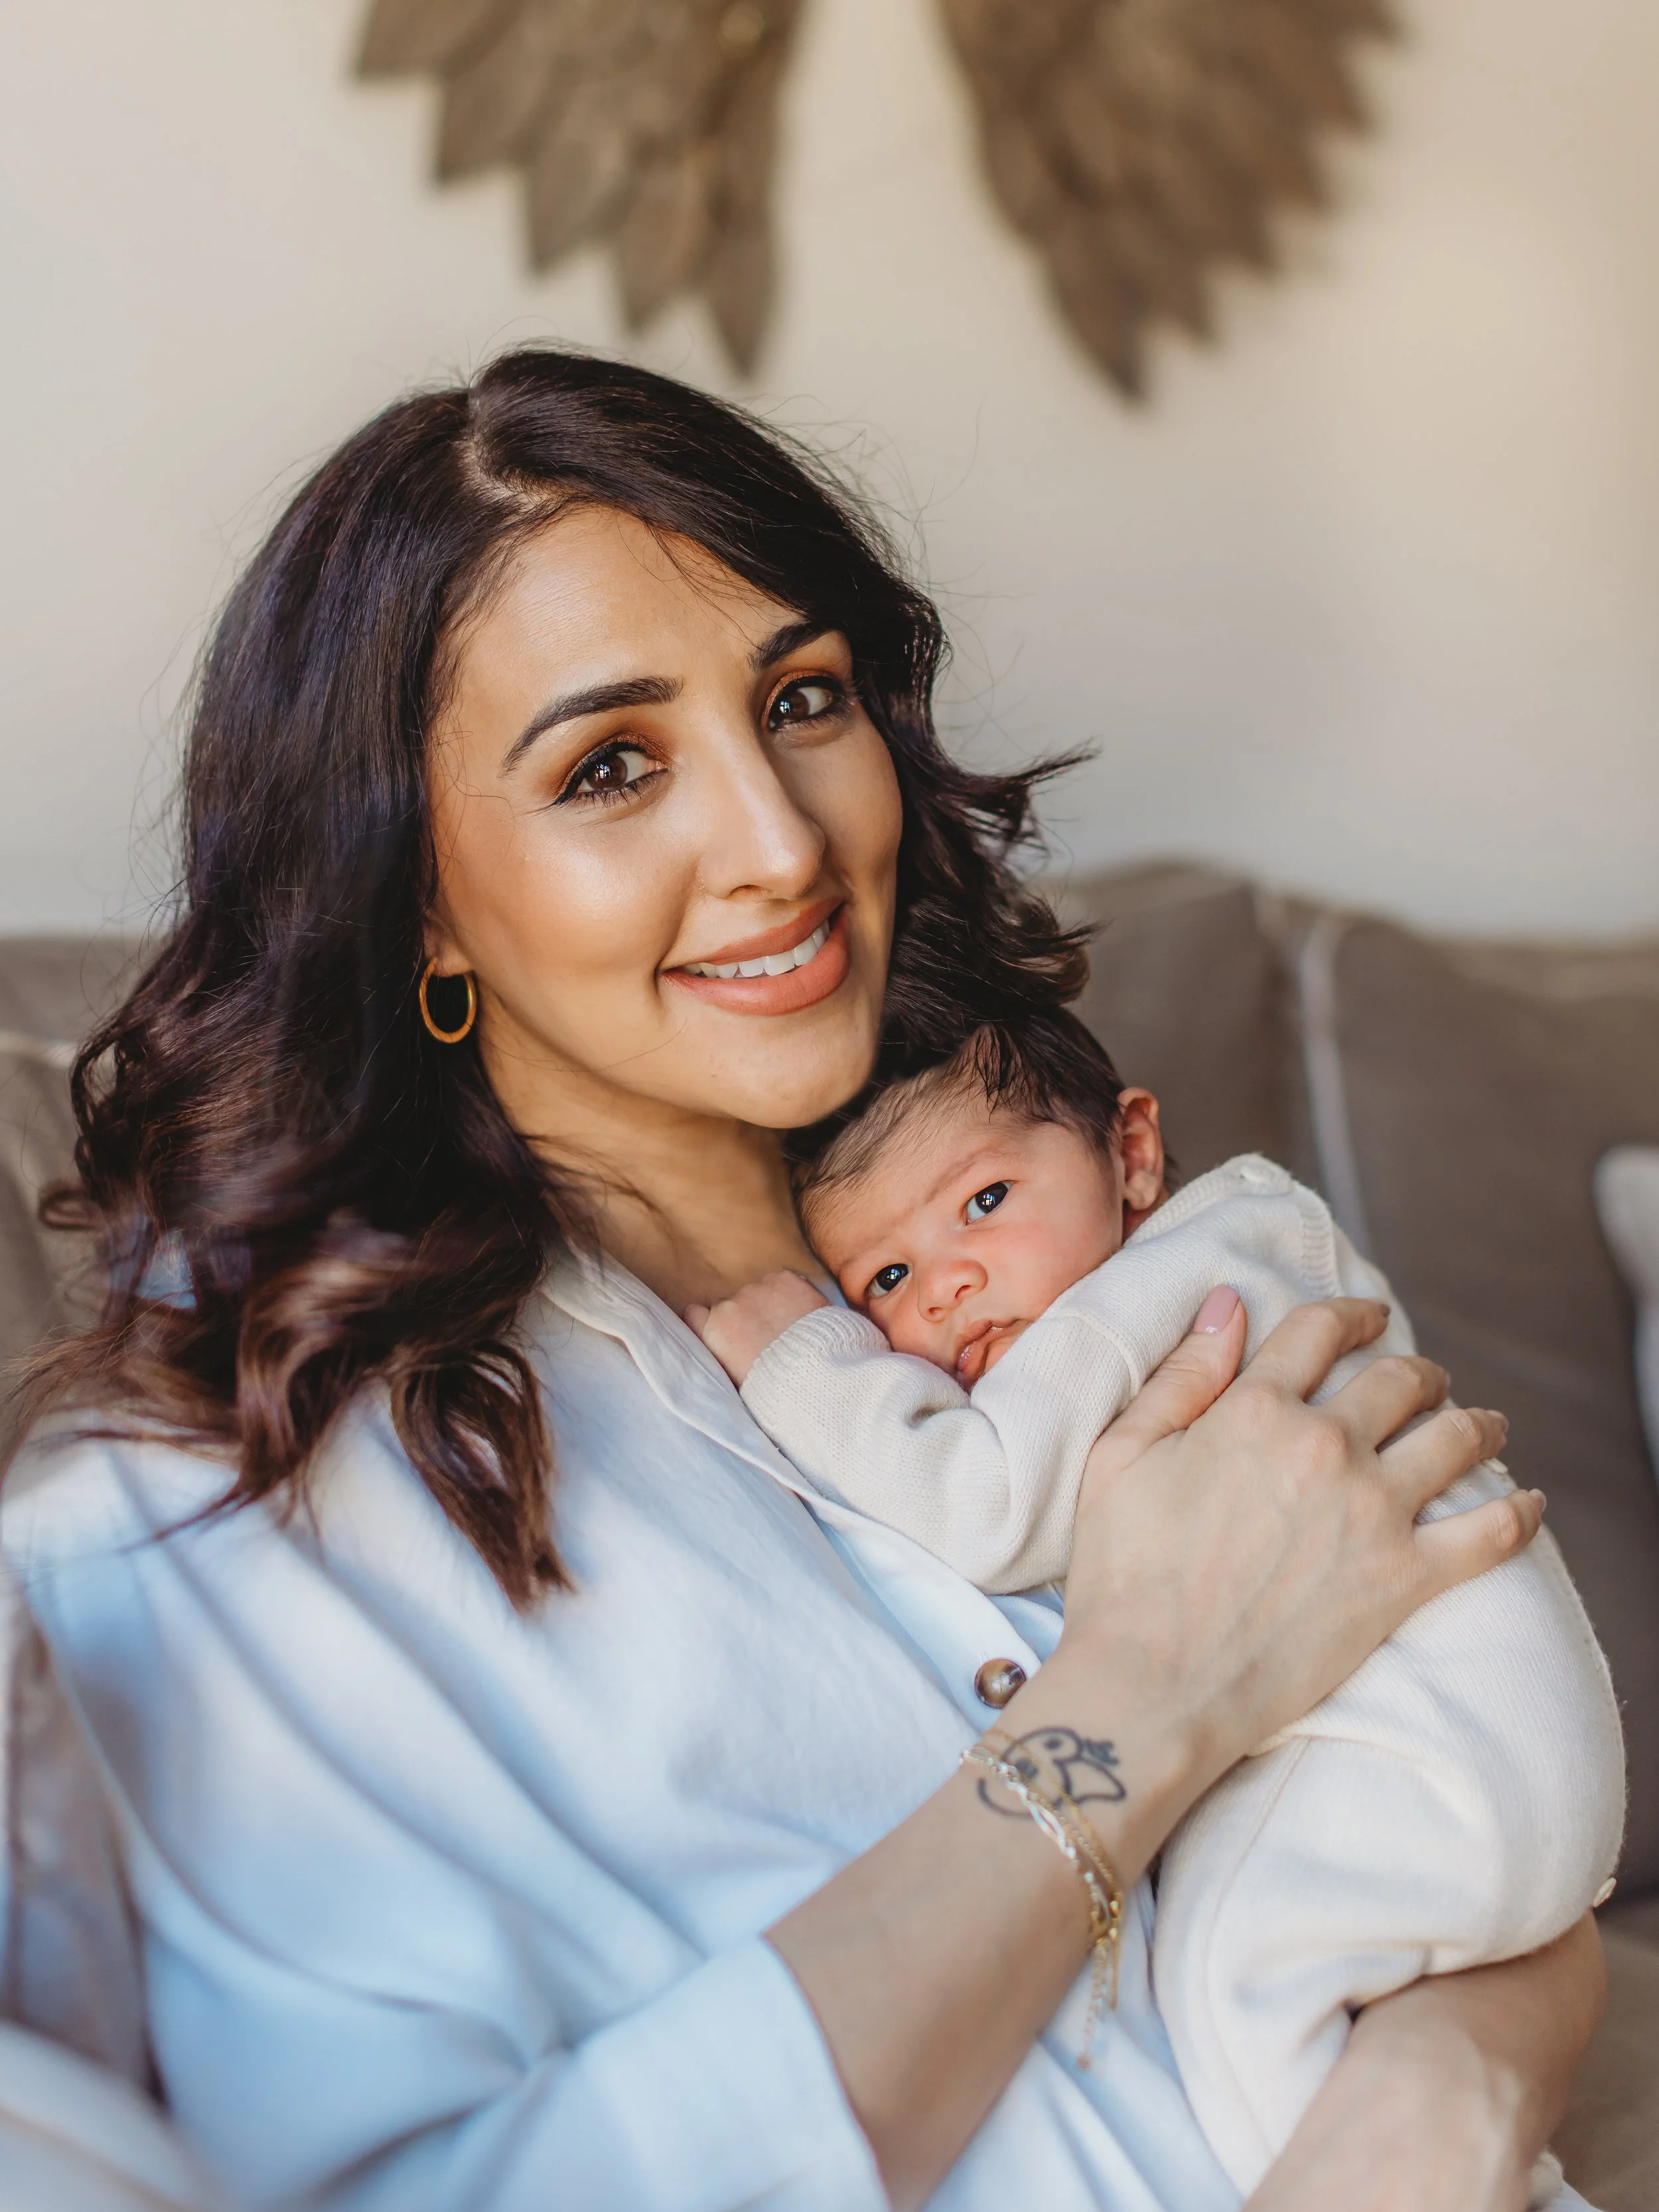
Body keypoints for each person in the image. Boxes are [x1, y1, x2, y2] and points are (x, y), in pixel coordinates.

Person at [1, 349, 1604, 2212]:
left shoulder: (1048, 1251)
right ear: (417, 901)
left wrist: (1444, 2095)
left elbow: (1467, 1755)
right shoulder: (220, 1520)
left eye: (801, 698)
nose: (779, 846)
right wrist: (1146, 1694)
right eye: (611, 765)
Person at [689, 1017, 1624, 2201]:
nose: (949, 1286)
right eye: (886, 1278)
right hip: (1513, 1751)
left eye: (981, 1202)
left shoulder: (1157, 1298)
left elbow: (982, 1504)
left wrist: (805, 1357)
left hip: (1414, 1738)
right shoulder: (1263, 1240)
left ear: (1132, 1155)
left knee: (1238, 2020)